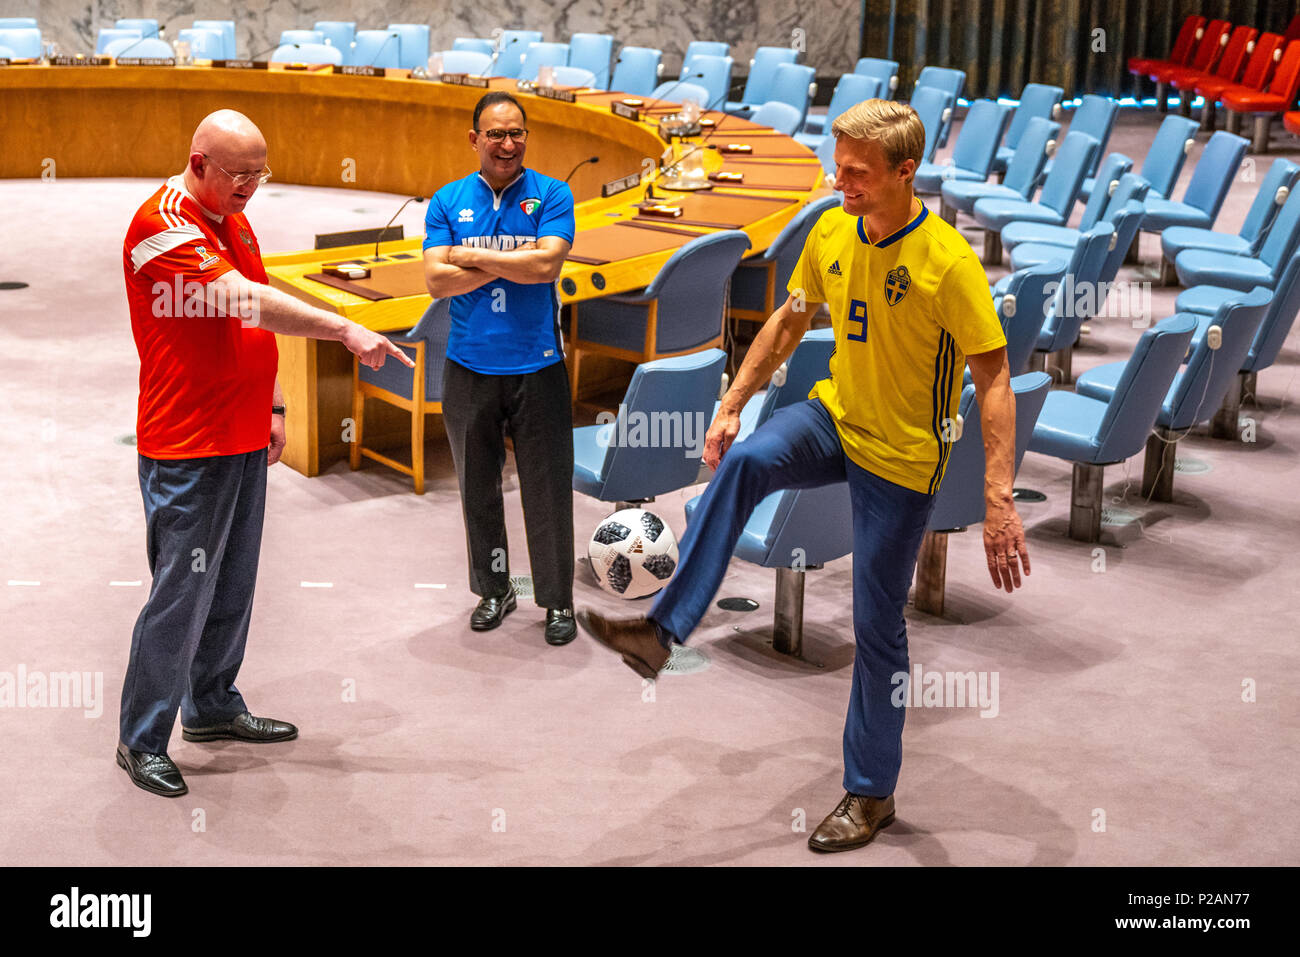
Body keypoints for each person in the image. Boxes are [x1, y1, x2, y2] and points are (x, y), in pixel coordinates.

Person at [576, 99, 1030, 852]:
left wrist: (998, 498)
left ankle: (871, 792)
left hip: (902, 457)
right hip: (833, 418)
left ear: (904, 171)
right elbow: (790, 318)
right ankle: (663, 631)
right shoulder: (829, 229)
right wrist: (731, 404)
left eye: (857, 173)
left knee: (876, 626)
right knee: (750, 458)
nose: (840, 181)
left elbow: (996, 379)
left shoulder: (947, 264)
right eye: (838, 166)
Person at [119, 109, 412, 798]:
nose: (253, 186)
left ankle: (212, 705)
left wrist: (274, 402)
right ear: (199, 164)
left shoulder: (233, 216)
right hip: (188, 443)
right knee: (180, 594)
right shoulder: (162, 225)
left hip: (242, 430)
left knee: (232, 582)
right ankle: (141, 739)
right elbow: (244, 302)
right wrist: (343, 326)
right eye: (240, 174)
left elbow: (257, 308)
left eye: (261, 173)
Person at [423, 91, 578, 646]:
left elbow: (545, 265)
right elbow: (436, 282)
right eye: (495, 134)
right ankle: (494, 589)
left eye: (517, 134)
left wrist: (469, 255)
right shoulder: (447, 200)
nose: (507, 144)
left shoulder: (553, 194)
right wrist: (510, 264)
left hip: (538, 365)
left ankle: (558, 601)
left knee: (547, 487)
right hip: (468, 365)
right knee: (478, 488)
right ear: (474, 139)